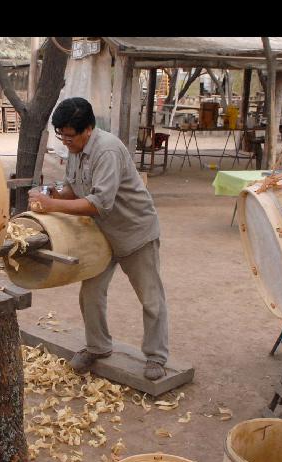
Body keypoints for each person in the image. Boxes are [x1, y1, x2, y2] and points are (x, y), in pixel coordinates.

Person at [27, 97, 169, 381]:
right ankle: (98, 346)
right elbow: (73, 188)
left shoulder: (107, 151)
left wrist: (53, 205)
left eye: (69, 135)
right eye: (60, 134)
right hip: (101, 234)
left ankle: (156, 356)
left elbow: (98, 203)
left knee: (151, 298)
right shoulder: (76, 150)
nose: (64, 140)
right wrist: (52, 196)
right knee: (91, 293)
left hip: (134, 232)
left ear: (87, 130)